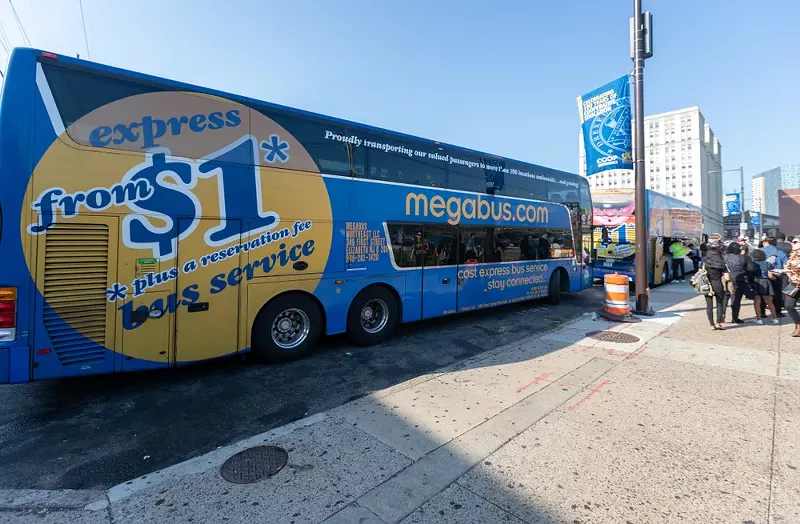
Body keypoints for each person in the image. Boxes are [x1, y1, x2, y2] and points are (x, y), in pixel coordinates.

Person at [724, 242, 756, 323]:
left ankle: (722, 315)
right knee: (736, 299)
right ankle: (735, 318)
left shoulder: (724, 257)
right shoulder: (745, 258)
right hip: (739, 279)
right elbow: (751, 269)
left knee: (724, 298)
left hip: (726, 279)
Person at [750, 249, 779, 325]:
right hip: (766, 282)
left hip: (757, 281)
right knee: (769, 301)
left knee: (757, 301)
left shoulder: (753, 263)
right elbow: (770, 275)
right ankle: (775, 318)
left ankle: (759, 319)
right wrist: (775, 279)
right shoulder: (767, 263)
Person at [702, 246, 728, 330]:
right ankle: (718, 323)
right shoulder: (721, 264)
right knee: (719, 303)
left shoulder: (704, 263)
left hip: (707, 285)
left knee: (709, 305)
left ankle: (711, 325)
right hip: (718, 284)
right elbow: (727, 278)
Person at [762, 236, 788, 317]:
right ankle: (777, 311)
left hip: (763, 275)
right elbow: (785, 266)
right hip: (777, 275)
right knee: (777, 294)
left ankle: (762, 312)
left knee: (763, 293)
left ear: (766, 242)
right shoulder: (780, 253)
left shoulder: (759, 251)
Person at [782, 238, 800, 337]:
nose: (792, 244)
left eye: (795, 242)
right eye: (792, 242)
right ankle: (798, 325)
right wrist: (785, 272)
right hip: (793, 283)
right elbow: (788, 267)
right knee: (788, 305)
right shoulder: (792, 254)